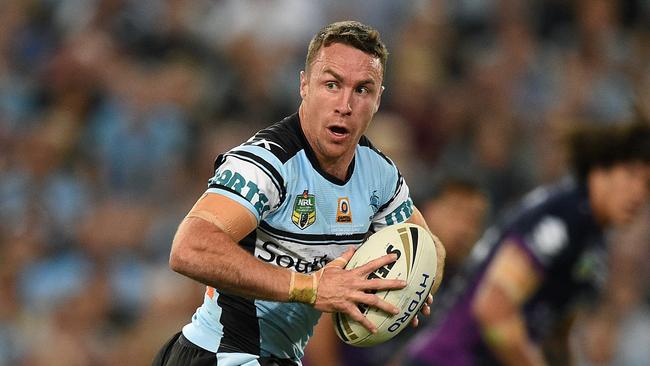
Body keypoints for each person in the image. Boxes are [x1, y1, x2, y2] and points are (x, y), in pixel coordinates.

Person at [152, 20, 446, 366]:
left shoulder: (378, 174)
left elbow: (428, 245)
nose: (345, 105)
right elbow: (188, 248)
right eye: (332, 84)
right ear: (304, 85)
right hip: (221, 354)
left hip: (281, 358)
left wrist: (417, 282)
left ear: (379, 99)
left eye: (362, 90)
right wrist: (310, 287)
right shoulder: (266, 163)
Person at [400, 120, 650, 366]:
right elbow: (493, 309)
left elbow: (555, 333)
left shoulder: (591, 239)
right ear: (599, 168)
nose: (639, 193)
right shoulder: (562, 215)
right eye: (631, 175)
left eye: (647, 185)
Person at [303, 178, 488, 366]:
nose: (466, 228)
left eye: (475, 220)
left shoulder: (465, 287)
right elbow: (322, 322)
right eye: (456, 212)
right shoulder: (382, 248)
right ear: (429, 208)